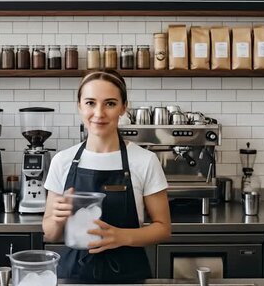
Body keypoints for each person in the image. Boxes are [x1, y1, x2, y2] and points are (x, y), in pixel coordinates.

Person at [43, 69, 171, 283]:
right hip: (74, 276)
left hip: (129, 277)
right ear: (79, 106)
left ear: (123, 107)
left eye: (110, 103)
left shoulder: (145, 160)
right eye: (90, 103)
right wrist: (57, 218)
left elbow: (163, 228)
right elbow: (51, 234)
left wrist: (123, 236)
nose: (99, 113)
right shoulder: (62, 161)